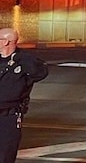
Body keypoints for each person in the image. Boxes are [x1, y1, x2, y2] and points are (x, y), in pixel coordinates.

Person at [0, 28, 49, 163]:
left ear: (5, 42)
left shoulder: (24, 61)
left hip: (8, 116)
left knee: (5, 155)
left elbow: (40, 73)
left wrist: (20, 57)